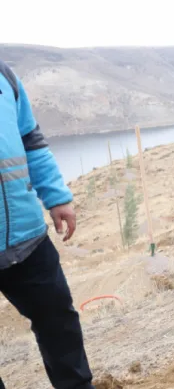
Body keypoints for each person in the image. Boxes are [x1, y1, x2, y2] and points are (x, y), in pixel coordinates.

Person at [0, 60, 94, 389]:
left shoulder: (4, 75)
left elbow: (30, 140)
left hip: (26, 235)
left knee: (60, 324)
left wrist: (56, 197)